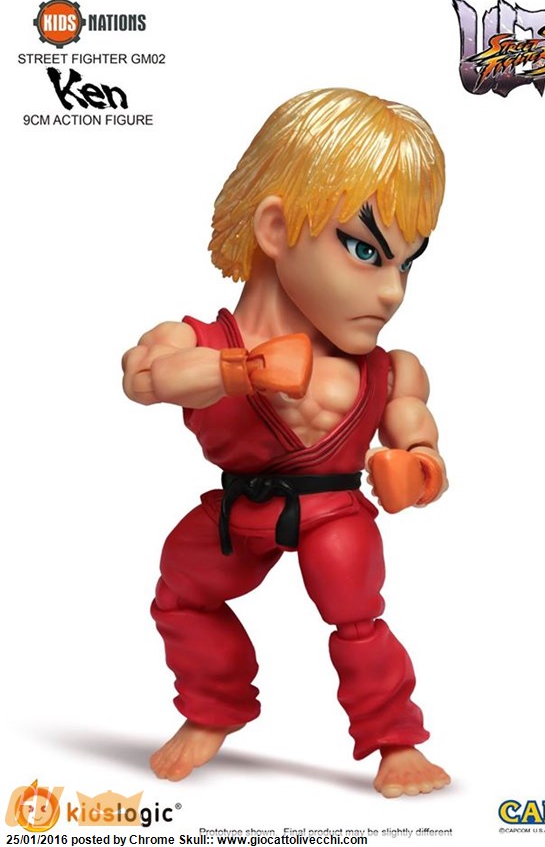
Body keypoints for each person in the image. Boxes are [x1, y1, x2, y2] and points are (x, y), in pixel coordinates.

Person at [122, 88, 450, 798]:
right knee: (180, 593)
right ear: (274, 227)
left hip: (334, 512)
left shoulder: (389, 367)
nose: (392, 292)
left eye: (405, 263)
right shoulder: (198, 340)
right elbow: (145, 376)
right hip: (239, 511)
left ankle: (397, 741)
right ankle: (213, 709)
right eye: (364, 250)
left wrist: (419, 468)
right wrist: (237, 369)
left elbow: (413, 420)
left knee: (356, 614)